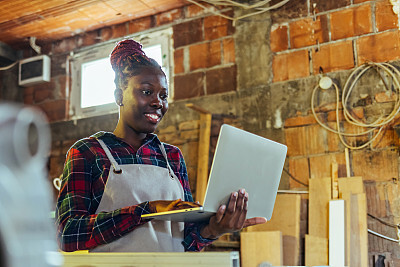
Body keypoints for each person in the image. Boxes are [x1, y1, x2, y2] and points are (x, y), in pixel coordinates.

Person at [55, 39, 267, 252]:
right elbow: (67, 234)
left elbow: (184, 242)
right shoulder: (88, 152)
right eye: (147, 92)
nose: (158, 102)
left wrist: (214, 229)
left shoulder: (172, 157)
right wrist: (146, 211)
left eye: (163, 95)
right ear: (119, 96)